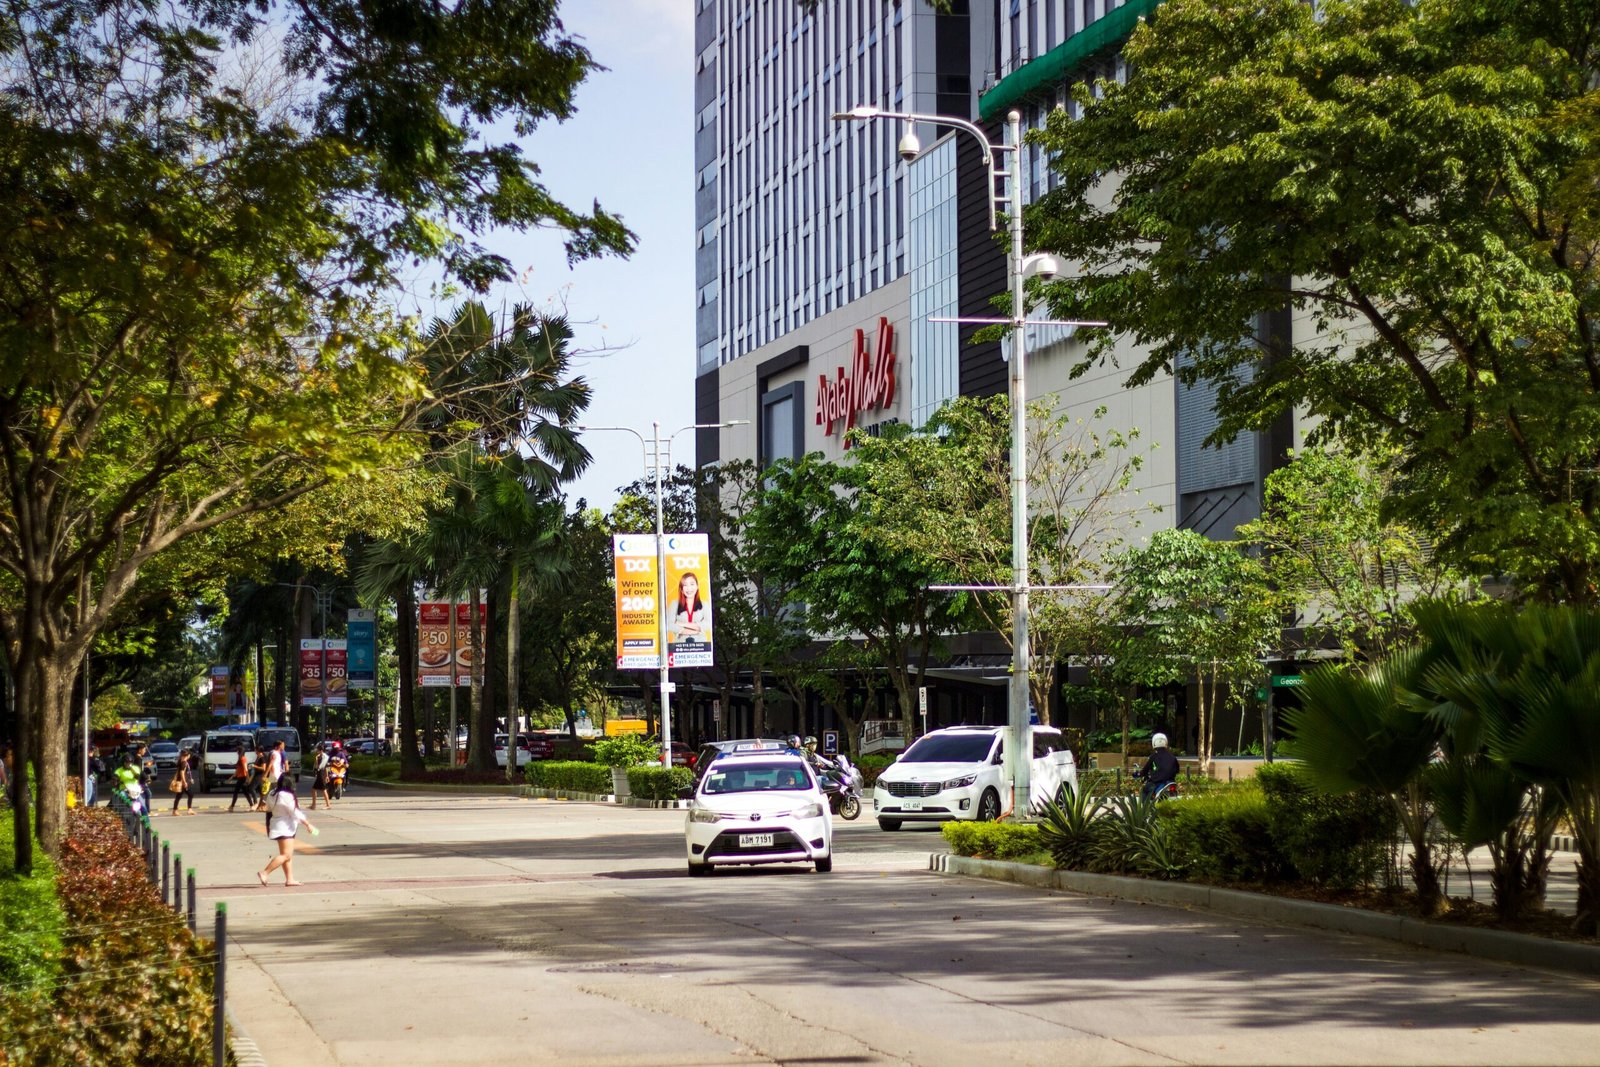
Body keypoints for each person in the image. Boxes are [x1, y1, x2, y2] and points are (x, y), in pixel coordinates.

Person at [258, 773, 316, 887]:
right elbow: (295, 812)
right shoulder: (287, 795)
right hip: (285, 827)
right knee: (286, 855)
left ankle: (290, 879)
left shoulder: (272, 793)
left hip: (277, 825)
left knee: (286, 854)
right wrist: (307, 824)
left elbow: (268, 809)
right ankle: (265, 872)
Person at [666, 572, 711, 644]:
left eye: (692, 584)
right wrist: (691, 631)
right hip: (679, 645)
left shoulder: (704, 604)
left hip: (700, 645)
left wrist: (682, 624)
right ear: (681, 589)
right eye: (685, 585)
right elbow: (669, 625)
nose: (689, 588)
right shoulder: (674, 604)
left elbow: (708, 624)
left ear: (697, 586)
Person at [1137, 732, 1180, 801]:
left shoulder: (1153, 757)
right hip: (1171, 783)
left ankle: (1146, 810)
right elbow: (1177, 770)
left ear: (1154, 743)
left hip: (1158, 783)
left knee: (1144, 790)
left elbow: (1145, 770)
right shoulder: (1172, 757)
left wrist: (1140, 774)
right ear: (1166, 742)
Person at [228, 743, 255, 812]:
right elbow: (237, 770)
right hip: (240, 777)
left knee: (236, 792)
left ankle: (232, 806)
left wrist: (248, 779)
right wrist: (231, 777)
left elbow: (246, 769)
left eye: (237, 750)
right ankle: (251, 805)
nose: (236, 752)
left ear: (239, 751)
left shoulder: (243, 759)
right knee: (245, 792)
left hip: (243, 778)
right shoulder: (240, 759)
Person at [169, 747, 196, 815]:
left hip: (181, 782)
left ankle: (175, 810)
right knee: (190, 794)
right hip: (182, 782)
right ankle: (188, 809)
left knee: (179, 796)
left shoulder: (181, 761)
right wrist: (184, 782)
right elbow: (182, 772)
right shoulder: (184, 763)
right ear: (188, 756)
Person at [309, 743, 331, 810]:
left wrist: (326, 776)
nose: (316, 751)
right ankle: (314, 805)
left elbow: (322, 767)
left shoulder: (324, 757)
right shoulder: (320, 757)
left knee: (323, 790)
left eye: (318, 750)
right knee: (314, 790)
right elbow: (316, 767)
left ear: (321, 750)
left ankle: (328, 805)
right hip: (319, 774)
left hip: (321, 774)